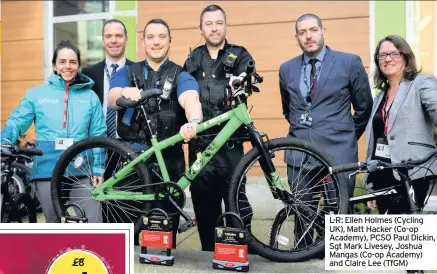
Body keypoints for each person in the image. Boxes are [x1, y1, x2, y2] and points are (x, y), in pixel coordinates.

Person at [279, 13, 373, 250]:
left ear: (323, 31)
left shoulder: (349, 62)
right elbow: (288, 110)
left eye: (313, 30)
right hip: (299, 155)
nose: (308, 36)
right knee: (302, 214)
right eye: (302, 32)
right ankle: (302, 258)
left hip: (338, 154)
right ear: (297, 37)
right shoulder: (286, 69)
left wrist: (347, 136)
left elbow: (364, 108)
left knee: (338, 215)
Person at [108, 18, 202, 246]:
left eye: (162, 37)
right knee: (125, 240)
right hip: (131, 163)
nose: (156, 42)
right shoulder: (127, 71)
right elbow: (112, 98)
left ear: (170, 41)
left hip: (169, 166)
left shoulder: (182, 74)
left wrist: (194, 121)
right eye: (150, 37)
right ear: (143, 42)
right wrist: (125, 93)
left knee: (162, 242)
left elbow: (191, 98)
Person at [1, 40, 106, 223]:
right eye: (62, 62)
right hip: (47, 168)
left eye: (72, 62)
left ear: (78, 66)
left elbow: (98, 134)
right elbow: (17, 121)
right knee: (54, 226)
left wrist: (98, 167)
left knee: (93, 222)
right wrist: (5, 140)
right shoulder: (36, 94)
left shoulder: (90, 97)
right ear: (54, 66)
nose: (68, 66)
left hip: (81, 169)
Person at [183, 4, 254, 252]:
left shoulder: (240, 54)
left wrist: (242, 80)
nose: (214, 28)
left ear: (226, 25)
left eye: (218, 23)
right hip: (200, 147)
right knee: (204, 208)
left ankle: (241, 252)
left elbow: (249, 75)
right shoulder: (191, 59)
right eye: (209, 24)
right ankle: (208, 256)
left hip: (231, 147)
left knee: (237, 204)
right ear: (201, 28)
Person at [365, 35, 437, 214]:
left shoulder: (421, 83)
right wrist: (371, 182)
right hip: (382, 172)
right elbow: (375, 143)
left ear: (405, 57)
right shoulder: (379, 97)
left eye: (394, 54)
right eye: (382, 55)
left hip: (412, 170)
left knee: (406, 230)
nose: (388, 59)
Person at [82, 19, 133, 141]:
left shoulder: (138, 70)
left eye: (119, 36)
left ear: (126, 39)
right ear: (103, 41)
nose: (113, 40)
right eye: (108, 36)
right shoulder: (88, 73)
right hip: (97, 142)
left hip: (128, 144)